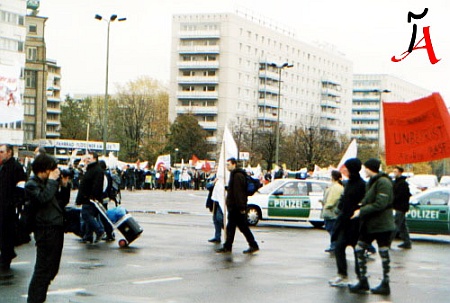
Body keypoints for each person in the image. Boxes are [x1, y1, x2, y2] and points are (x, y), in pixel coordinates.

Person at [25, 153, 71, 303]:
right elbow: (43, 199)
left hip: (56, 228)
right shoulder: (32, 184)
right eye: (51, 169)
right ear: (43, 170)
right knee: (42, 269)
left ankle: (39, 297)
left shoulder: (48, 184)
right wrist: (52, 182)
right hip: (45, 230)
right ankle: (35, 300)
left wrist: (64, 186)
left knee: (52, 268)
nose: (54, 172)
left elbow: (60, 202)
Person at [349, 158, 395, 295]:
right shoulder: (372, 182)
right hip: (371, 224)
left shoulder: (383, 182)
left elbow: (381, 203)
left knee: (384, 253)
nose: (364, 170)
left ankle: (385, 283)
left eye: (365, 168)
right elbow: (369, 199)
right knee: (359, 249)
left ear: (370, 168)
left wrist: (361, 211)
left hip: (382, 225)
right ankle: (363, 281)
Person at [328, 158, 366, 287]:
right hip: (344, 221)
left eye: (346, 167)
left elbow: (362, 202)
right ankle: (342, 274)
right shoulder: (348, 183)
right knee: (339, 247)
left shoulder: (361, 185)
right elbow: (344, 199)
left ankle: (360, 277)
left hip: (355, 223)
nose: (344, 169)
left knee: (357, 250)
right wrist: (340, 208)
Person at [216, 158, 259, 254]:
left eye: (228, 164)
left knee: (242, 228)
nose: (227, 166)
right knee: (231, 228)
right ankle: (228, 246)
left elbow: (239, 193)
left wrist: (241, 208)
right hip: (234, 207)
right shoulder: (235, 175)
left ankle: (253, 245)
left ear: (234, 164)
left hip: (237, 208)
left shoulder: (237, 176)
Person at [0, 144, 27, 270]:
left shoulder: (16, 167)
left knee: (7, 233)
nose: (0, 154)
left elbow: (21, 187)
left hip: (9, 207)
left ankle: (6, 258)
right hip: (3, 205)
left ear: (9, 152)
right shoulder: (3, 167)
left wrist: (17, 203)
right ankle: (7, 254)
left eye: (1, 152)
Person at [75, 152, 105, 243]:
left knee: (86, 215)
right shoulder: (91, 169)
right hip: (87, 198)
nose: (87, 159)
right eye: (86, 158)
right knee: (88, 215)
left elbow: (96, 186)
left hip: (90, 198)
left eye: (89, 158)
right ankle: (88, 236)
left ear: (95, 159)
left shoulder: (96, 170)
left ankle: (99, 231)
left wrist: (91, 196)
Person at [322, 170, 344, 253]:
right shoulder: (336, 186)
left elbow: (332, 200)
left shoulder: (336, 187)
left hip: (332, 212)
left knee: (331, 228)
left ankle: (334, 245)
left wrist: (327, 206)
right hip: (332, 212)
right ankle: (334, 245)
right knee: (332, 229)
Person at [392, 166, 412, 249]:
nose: (394, 173)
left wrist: (392, 201)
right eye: (394, 172)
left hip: (401, 207)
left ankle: (387, 242)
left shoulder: (403, 184)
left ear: (400, 172)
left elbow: (401, 196)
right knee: (402, 225)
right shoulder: (396, 182)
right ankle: (407, 242)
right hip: (398, 206)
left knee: (395, 225)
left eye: (396, 172)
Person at [205, 172, 223, 243]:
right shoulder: (214, 177)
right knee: (215, 219)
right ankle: (217, 236)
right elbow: (208, 186)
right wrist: (213, 182)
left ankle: (227, 230)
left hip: (221, 200)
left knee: (219, 218)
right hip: (214, 200)